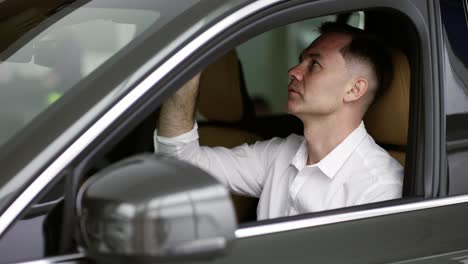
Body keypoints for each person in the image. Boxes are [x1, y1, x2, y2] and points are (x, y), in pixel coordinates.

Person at [154, 22, 403, 220]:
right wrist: (186, 68)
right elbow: (180, 163)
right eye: (301, 59)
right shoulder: (280, 153)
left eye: (314, 64)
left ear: (354, 90)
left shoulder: (378, 190)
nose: (293, 71)